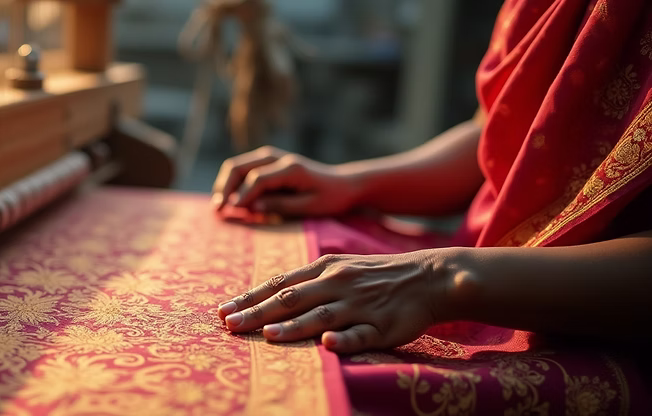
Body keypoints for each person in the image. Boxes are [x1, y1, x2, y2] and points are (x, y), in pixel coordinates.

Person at [211, 0, 652, 357]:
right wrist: (351, 183)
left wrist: (441, 279)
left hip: (586, 333)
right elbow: (504, 134)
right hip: (467, 266)